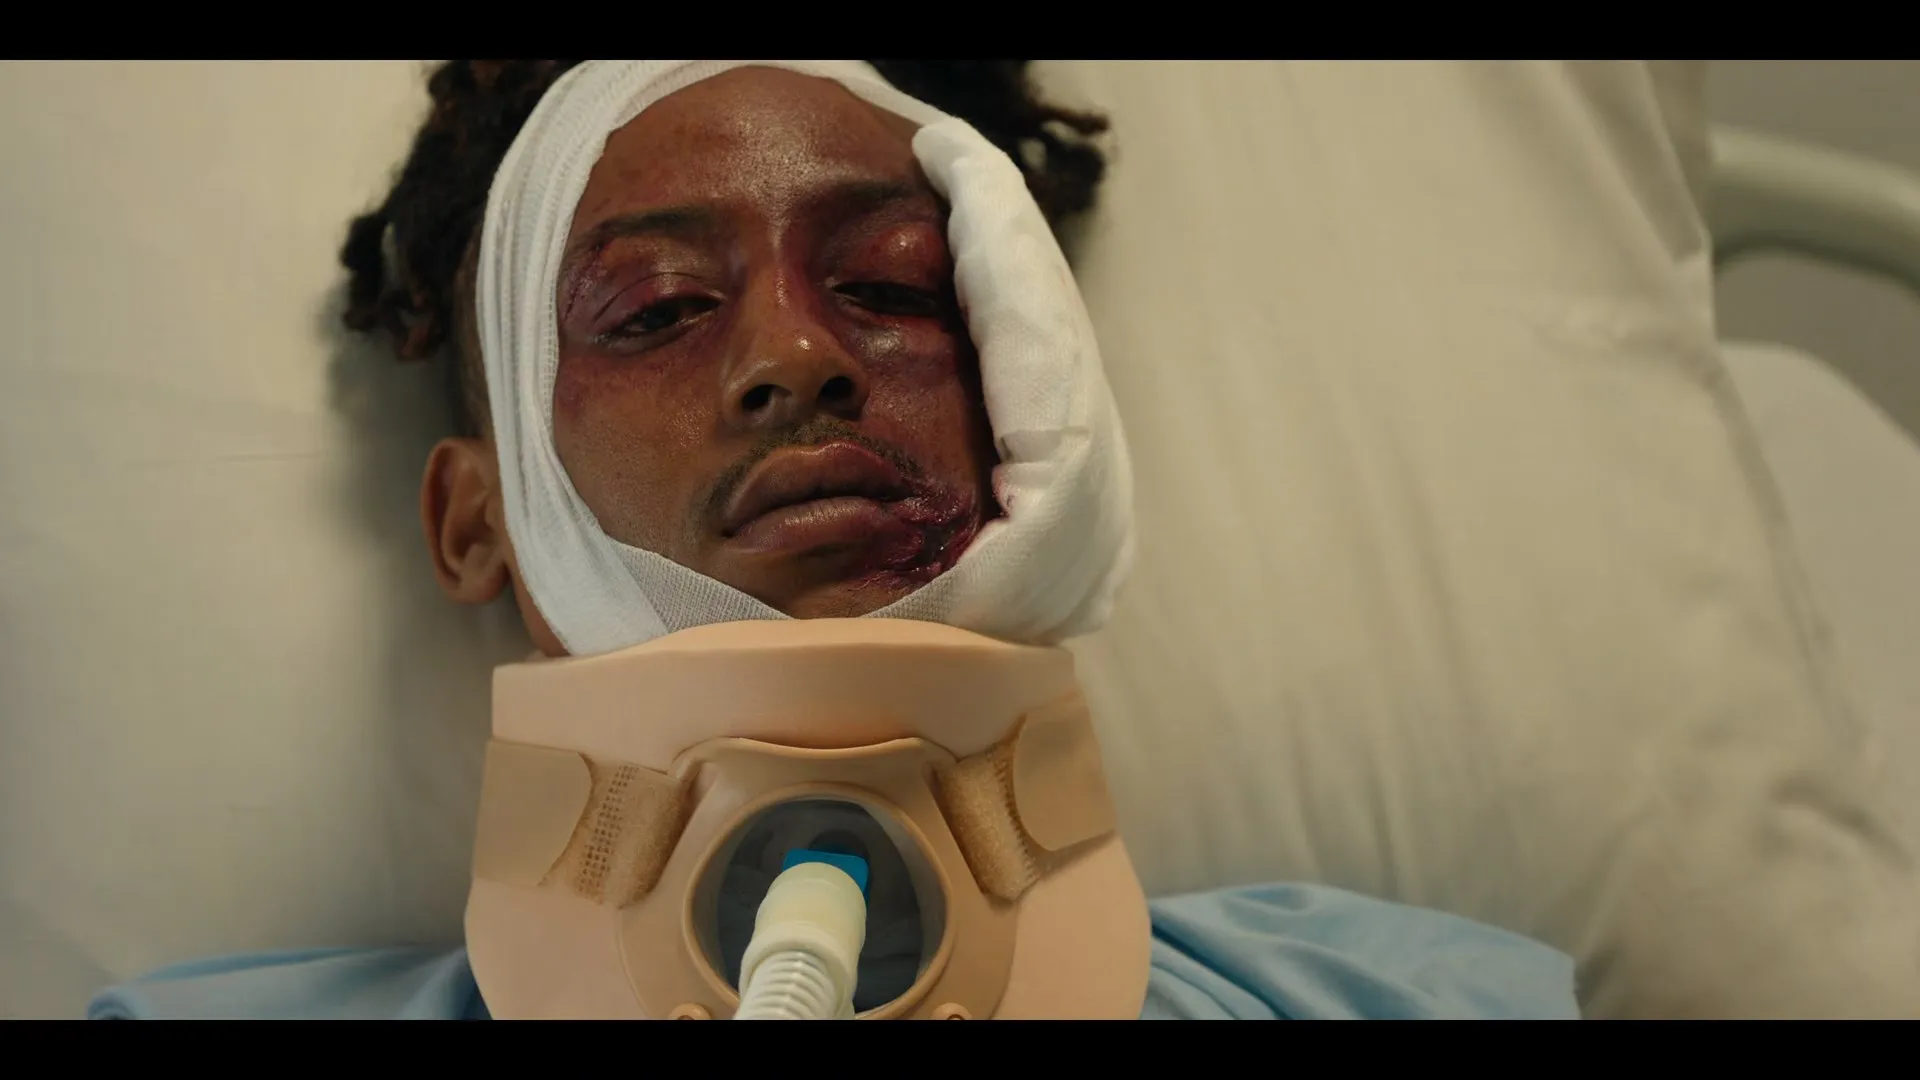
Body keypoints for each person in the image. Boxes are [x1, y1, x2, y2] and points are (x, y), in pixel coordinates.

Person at [88, 60, 1580, 1020]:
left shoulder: (1422, 1000)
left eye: (894, 284)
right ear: (476, 523)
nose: (796, 357)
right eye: (659, 308)